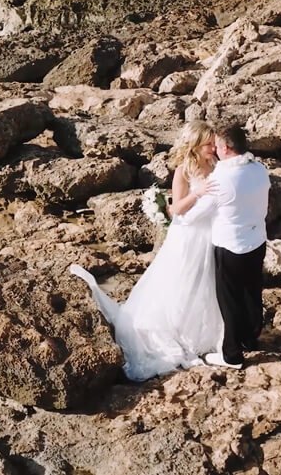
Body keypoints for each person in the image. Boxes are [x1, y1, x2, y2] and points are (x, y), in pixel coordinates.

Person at [69, 121, 224, 380]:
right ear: (195, 146)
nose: (213, 147)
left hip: (210, 232)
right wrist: (197, 193)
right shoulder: (184, 171)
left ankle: (206, 333)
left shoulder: (216, 165)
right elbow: (175, 210)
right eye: (208, 144)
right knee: (184, 282)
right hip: (189, 235)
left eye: (213, 143)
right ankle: (178, 331)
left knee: (207, 282)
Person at [184, 125, 271, 370]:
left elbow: (196, 214)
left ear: (225, 148)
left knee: (230, 299)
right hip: (257, 241)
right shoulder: (259, 169)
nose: (215, 148)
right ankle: (250, 338)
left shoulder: (222, 178)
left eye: (218, 145)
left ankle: (231, 355)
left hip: (231, 246)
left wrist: (177, 217)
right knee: (252, 292)